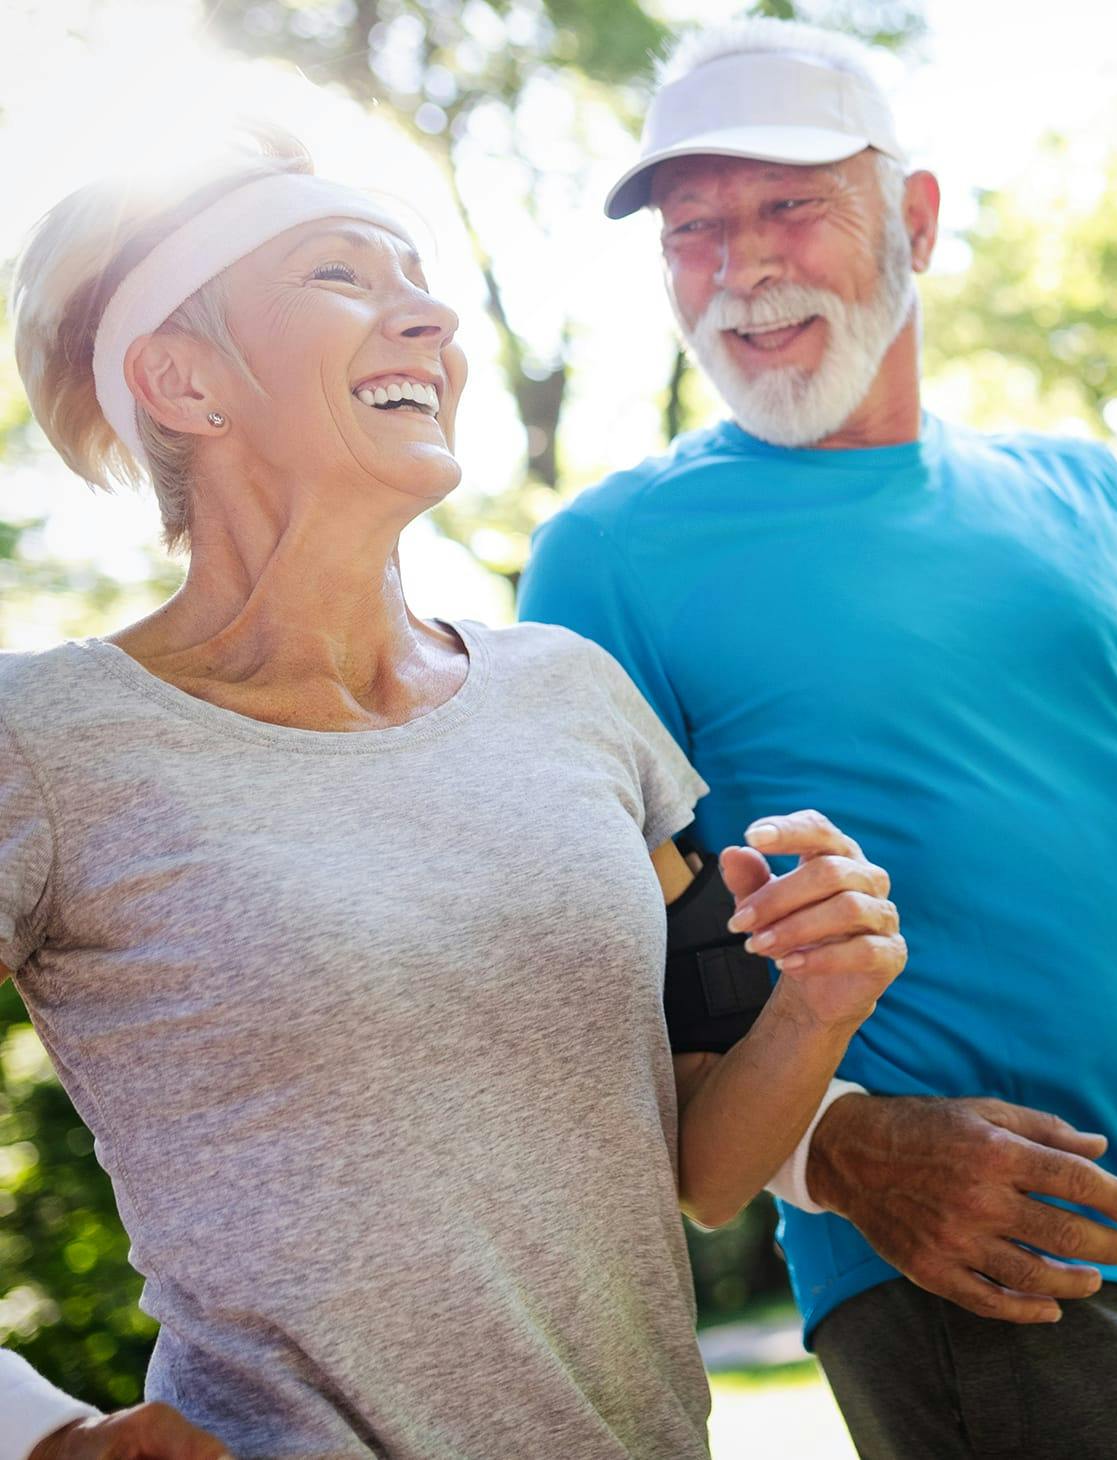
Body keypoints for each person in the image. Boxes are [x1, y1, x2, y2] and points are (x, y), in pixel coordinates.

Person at [518, 18, 1117, 1460]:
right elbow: (606, 988)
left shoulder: (1084, 495)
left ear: (917, 222)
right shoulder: (608, 557)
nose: (741, 265)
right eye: (694, 230)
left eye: (790, 206)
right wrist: (847, 1152)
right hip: (957, 1255)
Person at [0, 128, 905, 1460]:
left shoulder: (572, 693)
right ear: (184, 379)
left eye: (421, 279)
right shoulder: (45, 739)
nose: (432, 319)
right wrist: (39, 1431)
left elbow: (706, 1170)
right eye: (340, 274)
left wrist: (820, 1002)